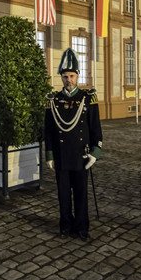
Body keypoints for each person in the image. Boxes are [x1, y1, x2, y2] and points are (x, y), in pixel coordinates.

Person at [44, 48, 103, 241]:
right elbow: (49, 131)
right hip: (61, 155)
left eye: (71, 76)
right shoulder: (53, 100)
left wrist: (96, 152)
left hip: (81, 155)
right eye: (64, 76)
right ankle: (65, 225)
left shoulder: (87, 98)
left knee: (80, 193)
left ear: (78, 75)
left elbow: (95, 127)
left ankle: (81, 227)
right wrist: (50, 154)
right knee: (62, 194)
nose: (68, 80)